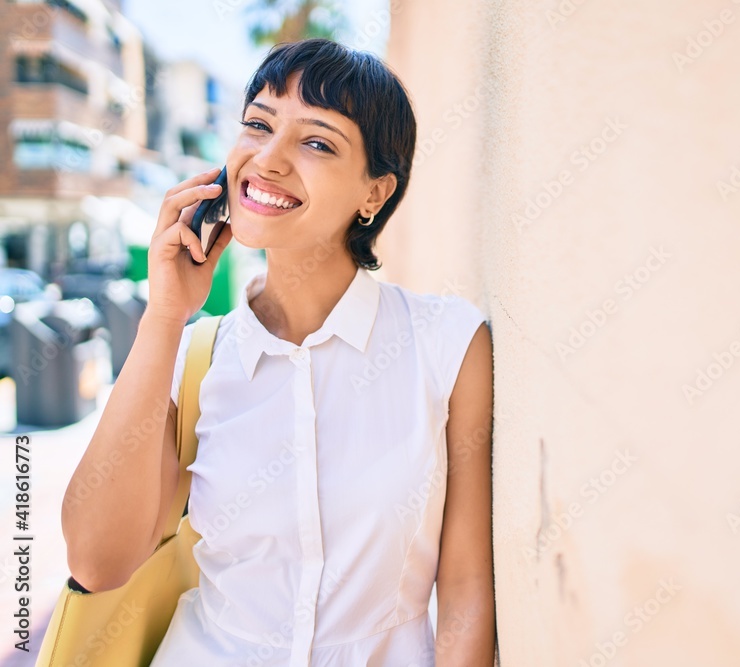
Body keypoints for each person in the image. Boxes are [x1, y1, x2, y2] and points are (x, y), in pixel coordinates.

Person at [61, 38, 497, 666]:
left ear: (374, 194)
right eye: (258, 126)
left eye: (316, 142)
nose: (267, 159)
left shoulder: (449, 345)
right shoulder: (194, 357)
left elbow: (464, 593)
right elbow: (96, 562)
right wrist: (163, 317)